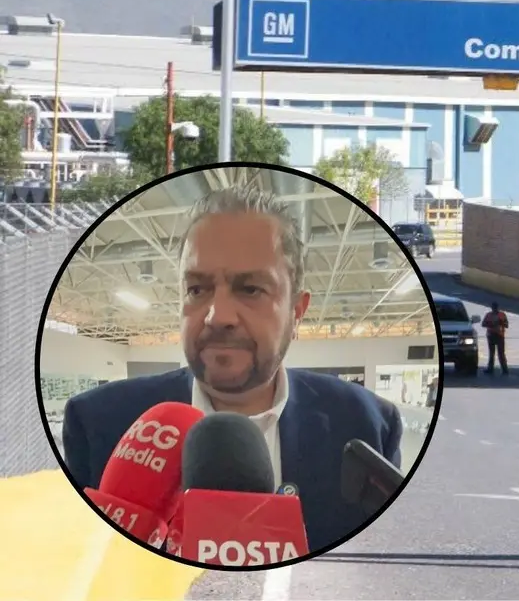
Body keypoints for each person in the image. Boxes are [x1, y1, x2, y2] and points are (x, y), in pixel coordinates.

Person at [60, 184, 404, 555]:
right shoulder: (97, 424)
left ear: (296, 312)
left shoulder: (368, 426)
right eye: (197, 289)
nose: (217, 316)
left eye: (251, 289)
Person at [481, 301, 509, 375]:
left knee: (501, 354)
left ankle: (505, 369)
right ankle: (490, 369)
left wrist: (501, 323)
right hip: (491, 335)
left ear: (497, 307)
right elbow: (483, 324)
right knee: (491, 353)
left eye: (496, 307)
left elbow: (507, 325)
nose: (495, 309)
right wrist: (490, 324)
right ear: (492, 308)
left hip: (500, 335)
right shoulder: (488, 315)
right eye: (493, 308)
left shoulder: (502, 315)